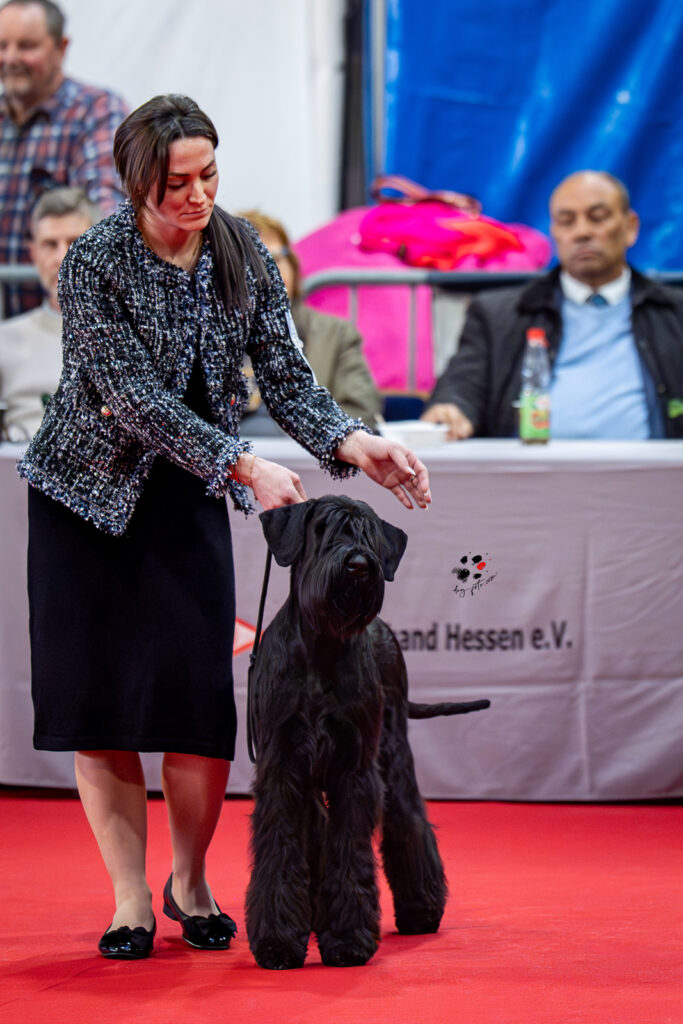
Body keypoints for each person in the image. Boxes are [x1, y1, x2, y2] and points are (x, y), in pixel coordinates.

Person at [17, 94, 431, 962]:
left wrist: (355, 443)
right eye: (176, 182)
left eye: (209, 175)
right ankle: (131, 898)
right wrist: (239, 461)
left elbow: (286, 373)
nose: (197, 195)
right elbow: (127, 393)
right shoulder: (94, 260)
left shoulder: (241, 249)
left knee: (197, 708)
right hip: (81, 501)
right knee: (102, 710)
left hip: (186, 496)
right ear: (134, 182)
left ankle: (191, 881)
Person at [422, 171, 683, 440]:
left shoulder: (675, 313)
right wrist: (451, 409)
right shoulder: (498, 314)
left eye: (597, 217)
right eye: (567, 221)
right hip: (529, 474)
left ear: (630, 227)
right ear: (554, 232)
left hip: (651, 474)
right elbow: (463, 384)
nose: (582, 232)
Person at [0, 0, 128, 316]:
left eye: (26, 46)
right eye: (2, 46)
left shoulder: (96, 111)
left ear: (61, 46)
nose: (10, 58)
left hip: (66, 328)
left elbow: (105, 211)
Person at [237, 210, 382, 432]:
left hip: (307, 462)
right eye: (251, 262)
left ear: (293, 266)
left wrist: (302, 434)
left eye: (275, 258)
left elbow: (362, 414)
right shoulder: (207, 336)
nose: (267, 272)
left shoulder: (336, 334)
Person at [0, 186, 99, 440]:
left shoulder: (133, 339)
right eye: (50, 244)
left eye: (75, 242)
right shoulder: (5, 342)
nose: (62, 257)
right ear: (33, 253)